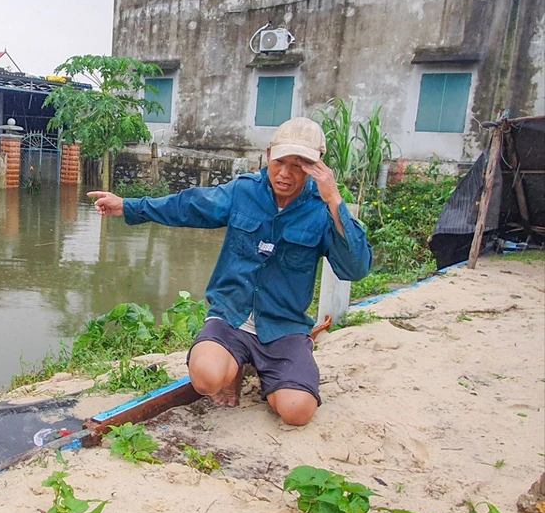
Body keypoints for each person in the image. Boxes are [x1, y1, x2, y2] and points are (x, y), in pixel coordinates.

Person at [87, 117, 372, 426]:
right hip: (231, 317)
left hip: (283, 328)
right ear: (268, 154)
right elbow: (190, 206)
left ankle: (268, 373)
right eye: (280, 162)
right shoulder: (244, 191)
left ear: (318, 166)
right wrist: (128, 206)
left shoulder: (322, 209)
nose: (286, 174)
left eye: (300, 164)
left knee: (297, 411)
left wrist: (334, 199)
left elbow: (355, 268)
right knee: (206, 378)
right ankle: (234, 368)